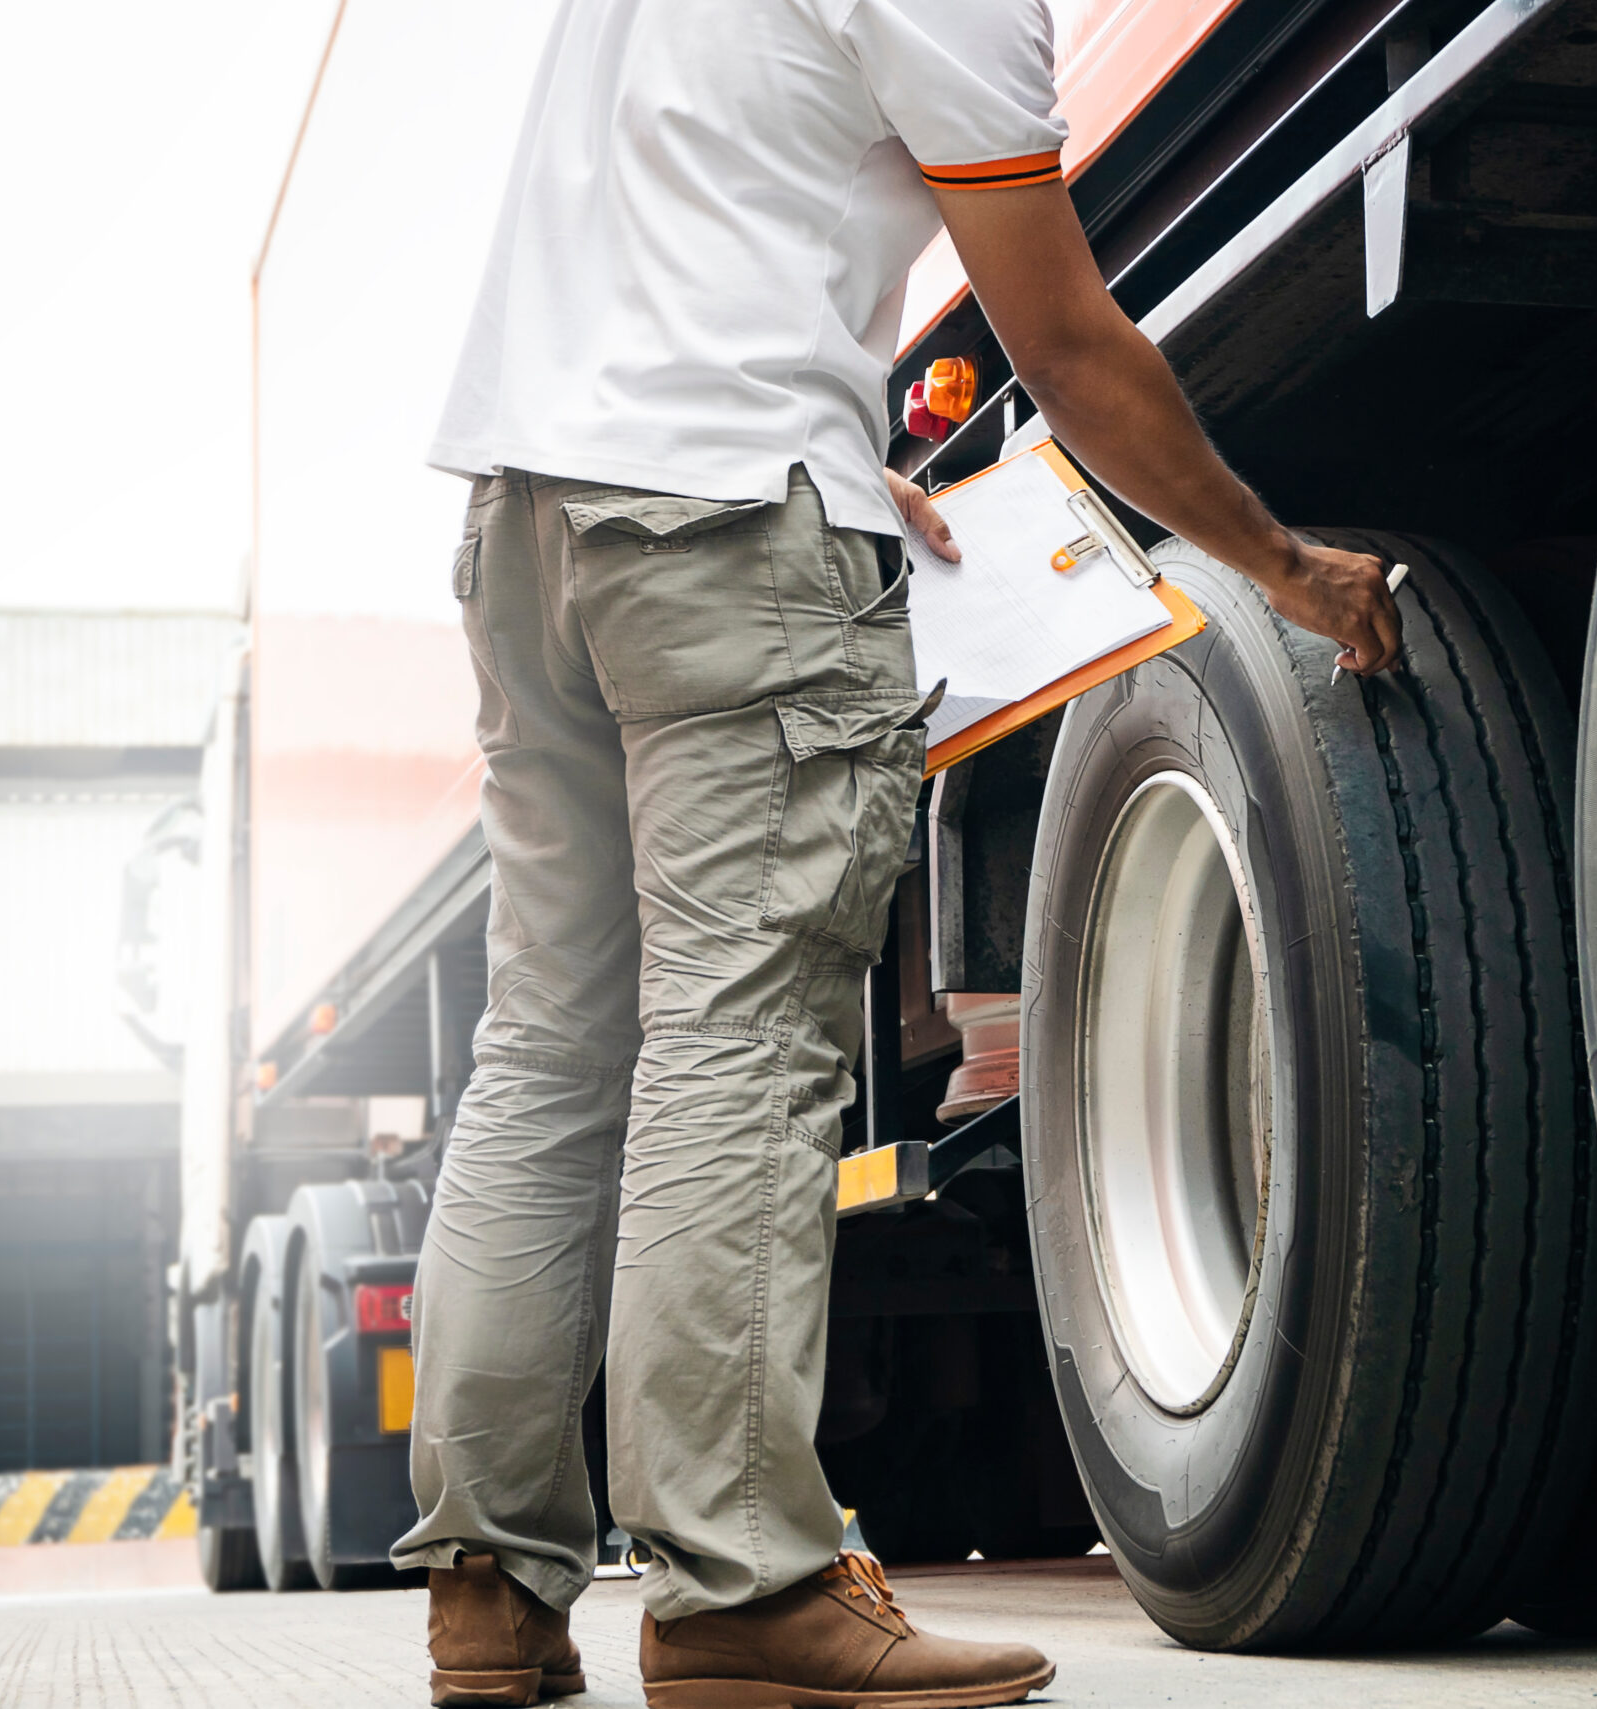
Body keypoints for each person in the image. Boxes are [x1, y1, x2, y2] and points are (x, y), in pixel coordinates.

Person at [390, 0, 1402, 1704]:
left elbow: (693, 213)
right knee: (739, 1041)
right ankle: (738, 1585)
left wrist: (839, 444)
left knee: (549, 1054)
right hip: (722, 532)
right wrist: (1285, 564)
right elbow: (1067, 345)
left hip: (532, 524)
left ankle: (487, 1590)